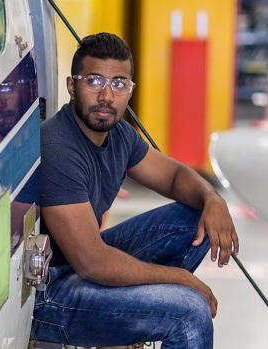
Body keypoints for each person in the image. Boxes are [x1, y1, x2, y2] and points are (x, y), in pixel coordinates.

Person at [30, 33, 239, 349]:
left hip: (79, 266)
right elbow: (92, 262)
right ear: (72, 86)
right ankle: (133, 321)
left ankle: (130, 320)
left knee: (198, 215)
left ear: (130, 90)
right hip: (48, 294)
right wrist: (181, 280)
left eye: (119, 84)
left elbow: (173, 178)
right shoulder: (58, 147)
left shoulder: (119, 135)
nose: (106, 96)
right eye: (94, 80)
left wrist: (213, 199)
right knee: (188, 312)